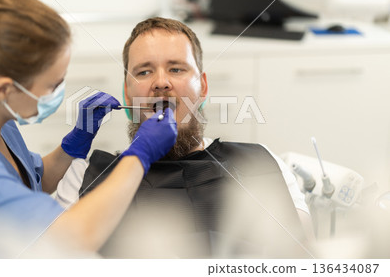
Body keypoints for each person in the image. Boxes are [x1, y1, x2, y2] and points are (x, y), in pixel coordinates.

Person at [0, 0, 177, 257]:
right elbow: (68, 239)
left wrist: (75, 143)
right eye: (52, 85)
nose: (58, 92)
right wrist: (139, 155)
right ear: (4, 90)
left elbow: (27, 184)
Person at [56, 17, 314, 258]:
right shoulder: (83, 177)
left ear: (202, 87)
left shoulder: (261, 163)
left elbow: (303, 259)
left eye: (176, 69)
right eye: (144, 72)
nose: (161, 82)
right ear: (127, 93)